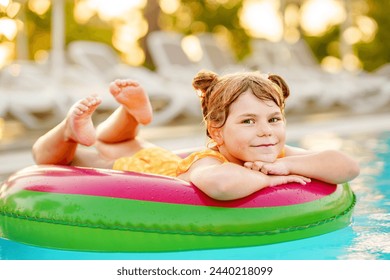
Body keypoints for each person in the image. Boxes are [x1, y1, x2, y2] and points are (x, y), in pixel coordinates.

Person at [32, 70, 360, 200]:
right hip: (131, 165)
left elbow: (347, 166)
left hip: (150, 153)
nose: (265, 131)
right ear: (216, 131)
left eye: (274, 119)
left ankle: (132, 115)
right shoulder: (208, 159)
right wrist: (272, 181)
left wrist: (287, 167)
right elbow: (221, 185)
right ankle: (68, 129)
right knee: (61, 154)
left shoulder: (273, 151)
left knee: (114, 138)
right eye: (247, 121)